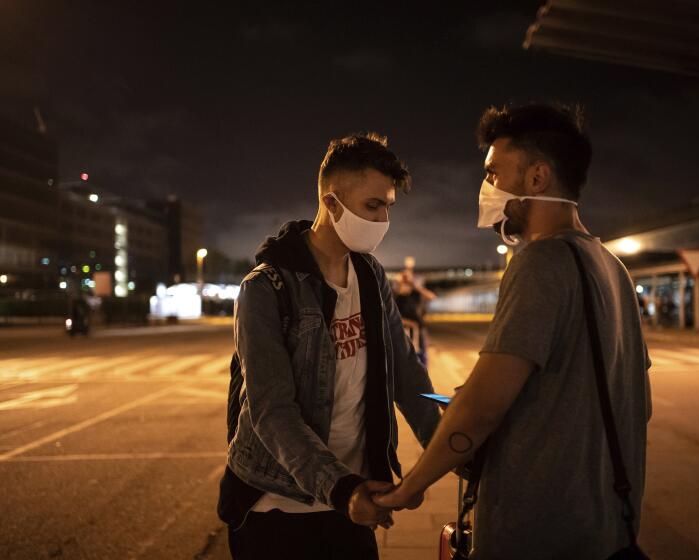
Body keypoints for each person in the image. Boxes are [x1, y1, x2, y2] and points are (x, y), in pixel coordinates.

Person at [375, 103, 652, 559]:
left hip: (538, 534)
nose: (487, 188)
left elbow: (481, 409)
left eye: (493, 173)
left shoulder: (541, 262)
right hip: (606, 530)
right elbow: (636, 404)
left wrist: (410, 488)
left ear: (537, 178)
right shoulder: (612, 266)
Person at [218, 133, 441, 560]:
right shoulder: (266, 288)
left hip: (355, 500)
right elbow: (271, 410)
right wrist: (340, 488)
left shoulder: (370, 275)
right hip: (278, 505)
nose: (383, 220)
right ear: (331, 202)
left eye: (388, 207)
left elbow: (406, 372)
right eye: (372, 206)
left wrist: (446, 448)